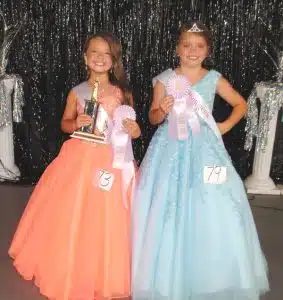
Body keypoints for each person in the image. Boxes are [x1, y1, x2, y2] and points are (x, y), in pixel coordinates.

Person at [131, 21, 269, 300]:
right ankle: (166, 273)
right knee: (165, 204)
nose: (192, 51)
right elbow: (153, 117)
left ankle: (214, 272)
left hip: (206, 150)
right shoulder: (164, 79)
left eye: (199, 46)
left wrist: (224, 126)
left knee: (213, 200)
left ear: (207, 51)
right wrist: (163, 109)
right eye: (187, 45)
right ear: (177, 49)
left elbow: (241, 104)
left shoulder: (213, 78)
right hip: (169, 149)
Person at [9, 31, 140, 300]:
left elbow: (130, 128)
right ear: (85, 57)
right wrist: (75, 123)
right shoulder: (77, 91)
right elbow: (64, 123)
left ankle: (107, 268)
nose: (100, 58)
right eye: (94, 52)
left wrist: (133, 129)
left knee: (109, 214)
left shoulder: (122, 92)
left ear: (114, 60)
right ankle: (69, 262)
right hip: (78, 158)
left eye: (106, 54)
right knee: (73, 212)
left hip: (110, 159)